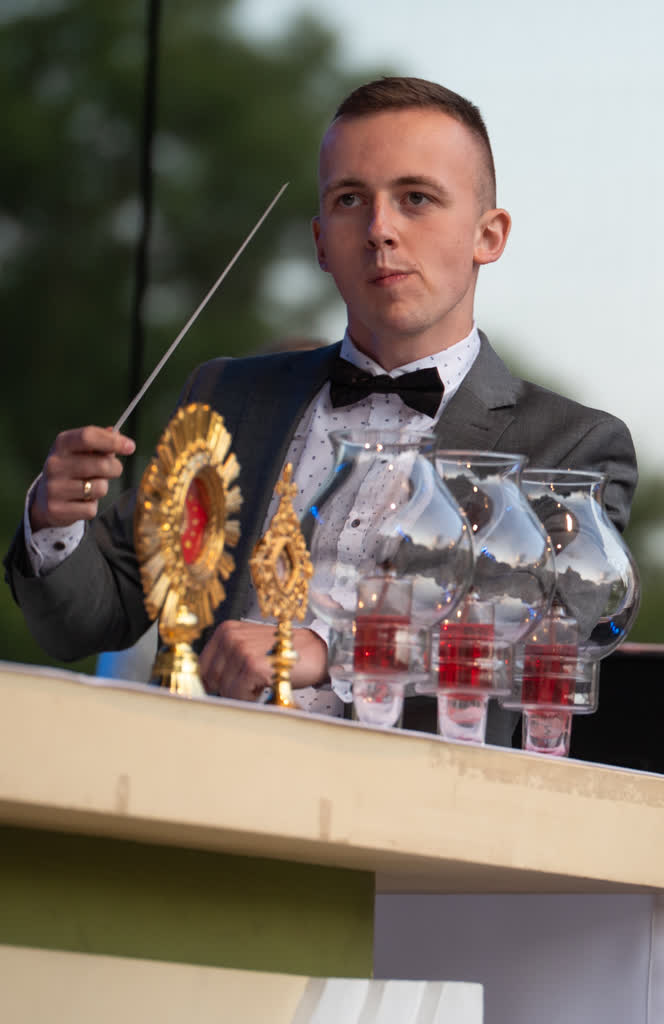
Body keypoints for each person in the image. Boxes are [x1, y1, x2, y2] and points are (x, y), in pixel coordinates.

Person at [4, 77, 638, 744]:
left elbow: (546, 638)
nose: (380, 230)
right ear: (319, 242)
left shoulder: (570, 444)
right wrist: (54, 522)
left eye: (416, 198)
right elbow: (90, 619)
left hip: (417, 802)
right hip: (199, 778)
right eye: (350, 200)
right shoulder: (229, 397)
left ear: (489, 235)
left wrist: (337, 651)